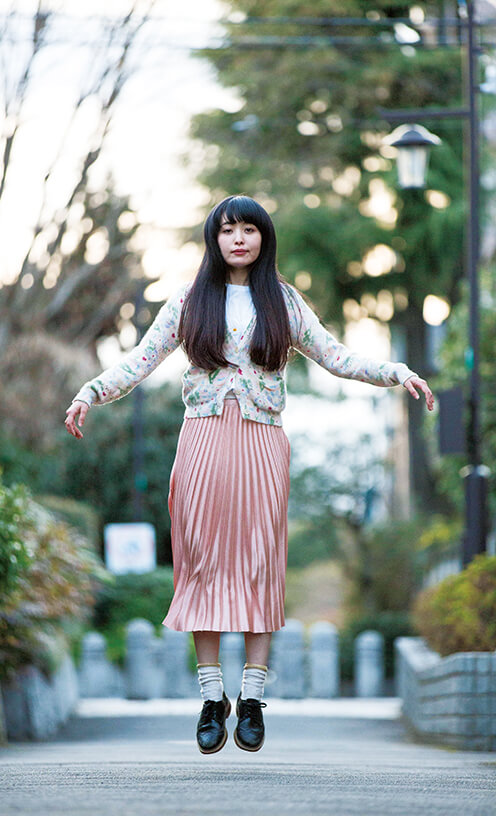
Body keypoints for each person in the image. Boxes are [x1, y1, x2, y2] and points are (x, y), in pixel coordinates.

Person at [65, 194, 434, 755]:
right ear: (213, 239)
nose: (238, 239)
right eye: (227, 229)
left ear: (264, 238)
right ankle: (212, 697)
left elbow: (336, 357)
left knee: (261, 561)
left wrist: (396, 371)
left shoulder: (284, 302)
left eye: (249, 229)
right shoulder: (188, 301)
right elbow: (140, 361)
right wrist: (90, 392)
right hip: (202, 442)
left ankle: (253, 697)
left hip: (263, 443)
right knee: (202, 561)